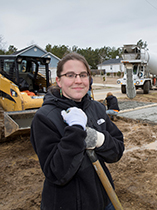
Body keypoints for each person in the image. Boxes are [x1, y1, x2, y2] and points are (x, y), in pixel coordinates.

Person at [30, 52, 124, 210]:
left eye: (83, 75)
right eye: (70, 75)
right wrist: (75, 130)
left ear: (89, 78)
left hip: (104, 198)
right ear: (59, 81)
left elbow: (117, 151)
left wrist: (99, 139)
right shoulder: (44, 118)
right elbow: (56, 173)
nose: (78, 81)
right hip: (68, 204)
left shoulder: (97, 108)